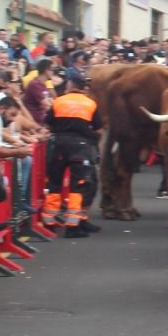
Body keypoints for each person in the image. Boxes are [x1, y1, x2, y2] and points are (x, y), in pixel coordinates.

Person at [42, 69, 102, 238]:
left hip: (58, 145)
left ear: (69, 85)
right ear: (83, 87)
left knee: (54, 184)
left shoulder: (58, 102)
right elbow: (98, 129)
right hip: (81, 147)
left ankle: (49, 223)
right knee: (78, 186)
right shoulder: (90, 104)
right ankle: (73, 226)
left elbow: (48, 125)